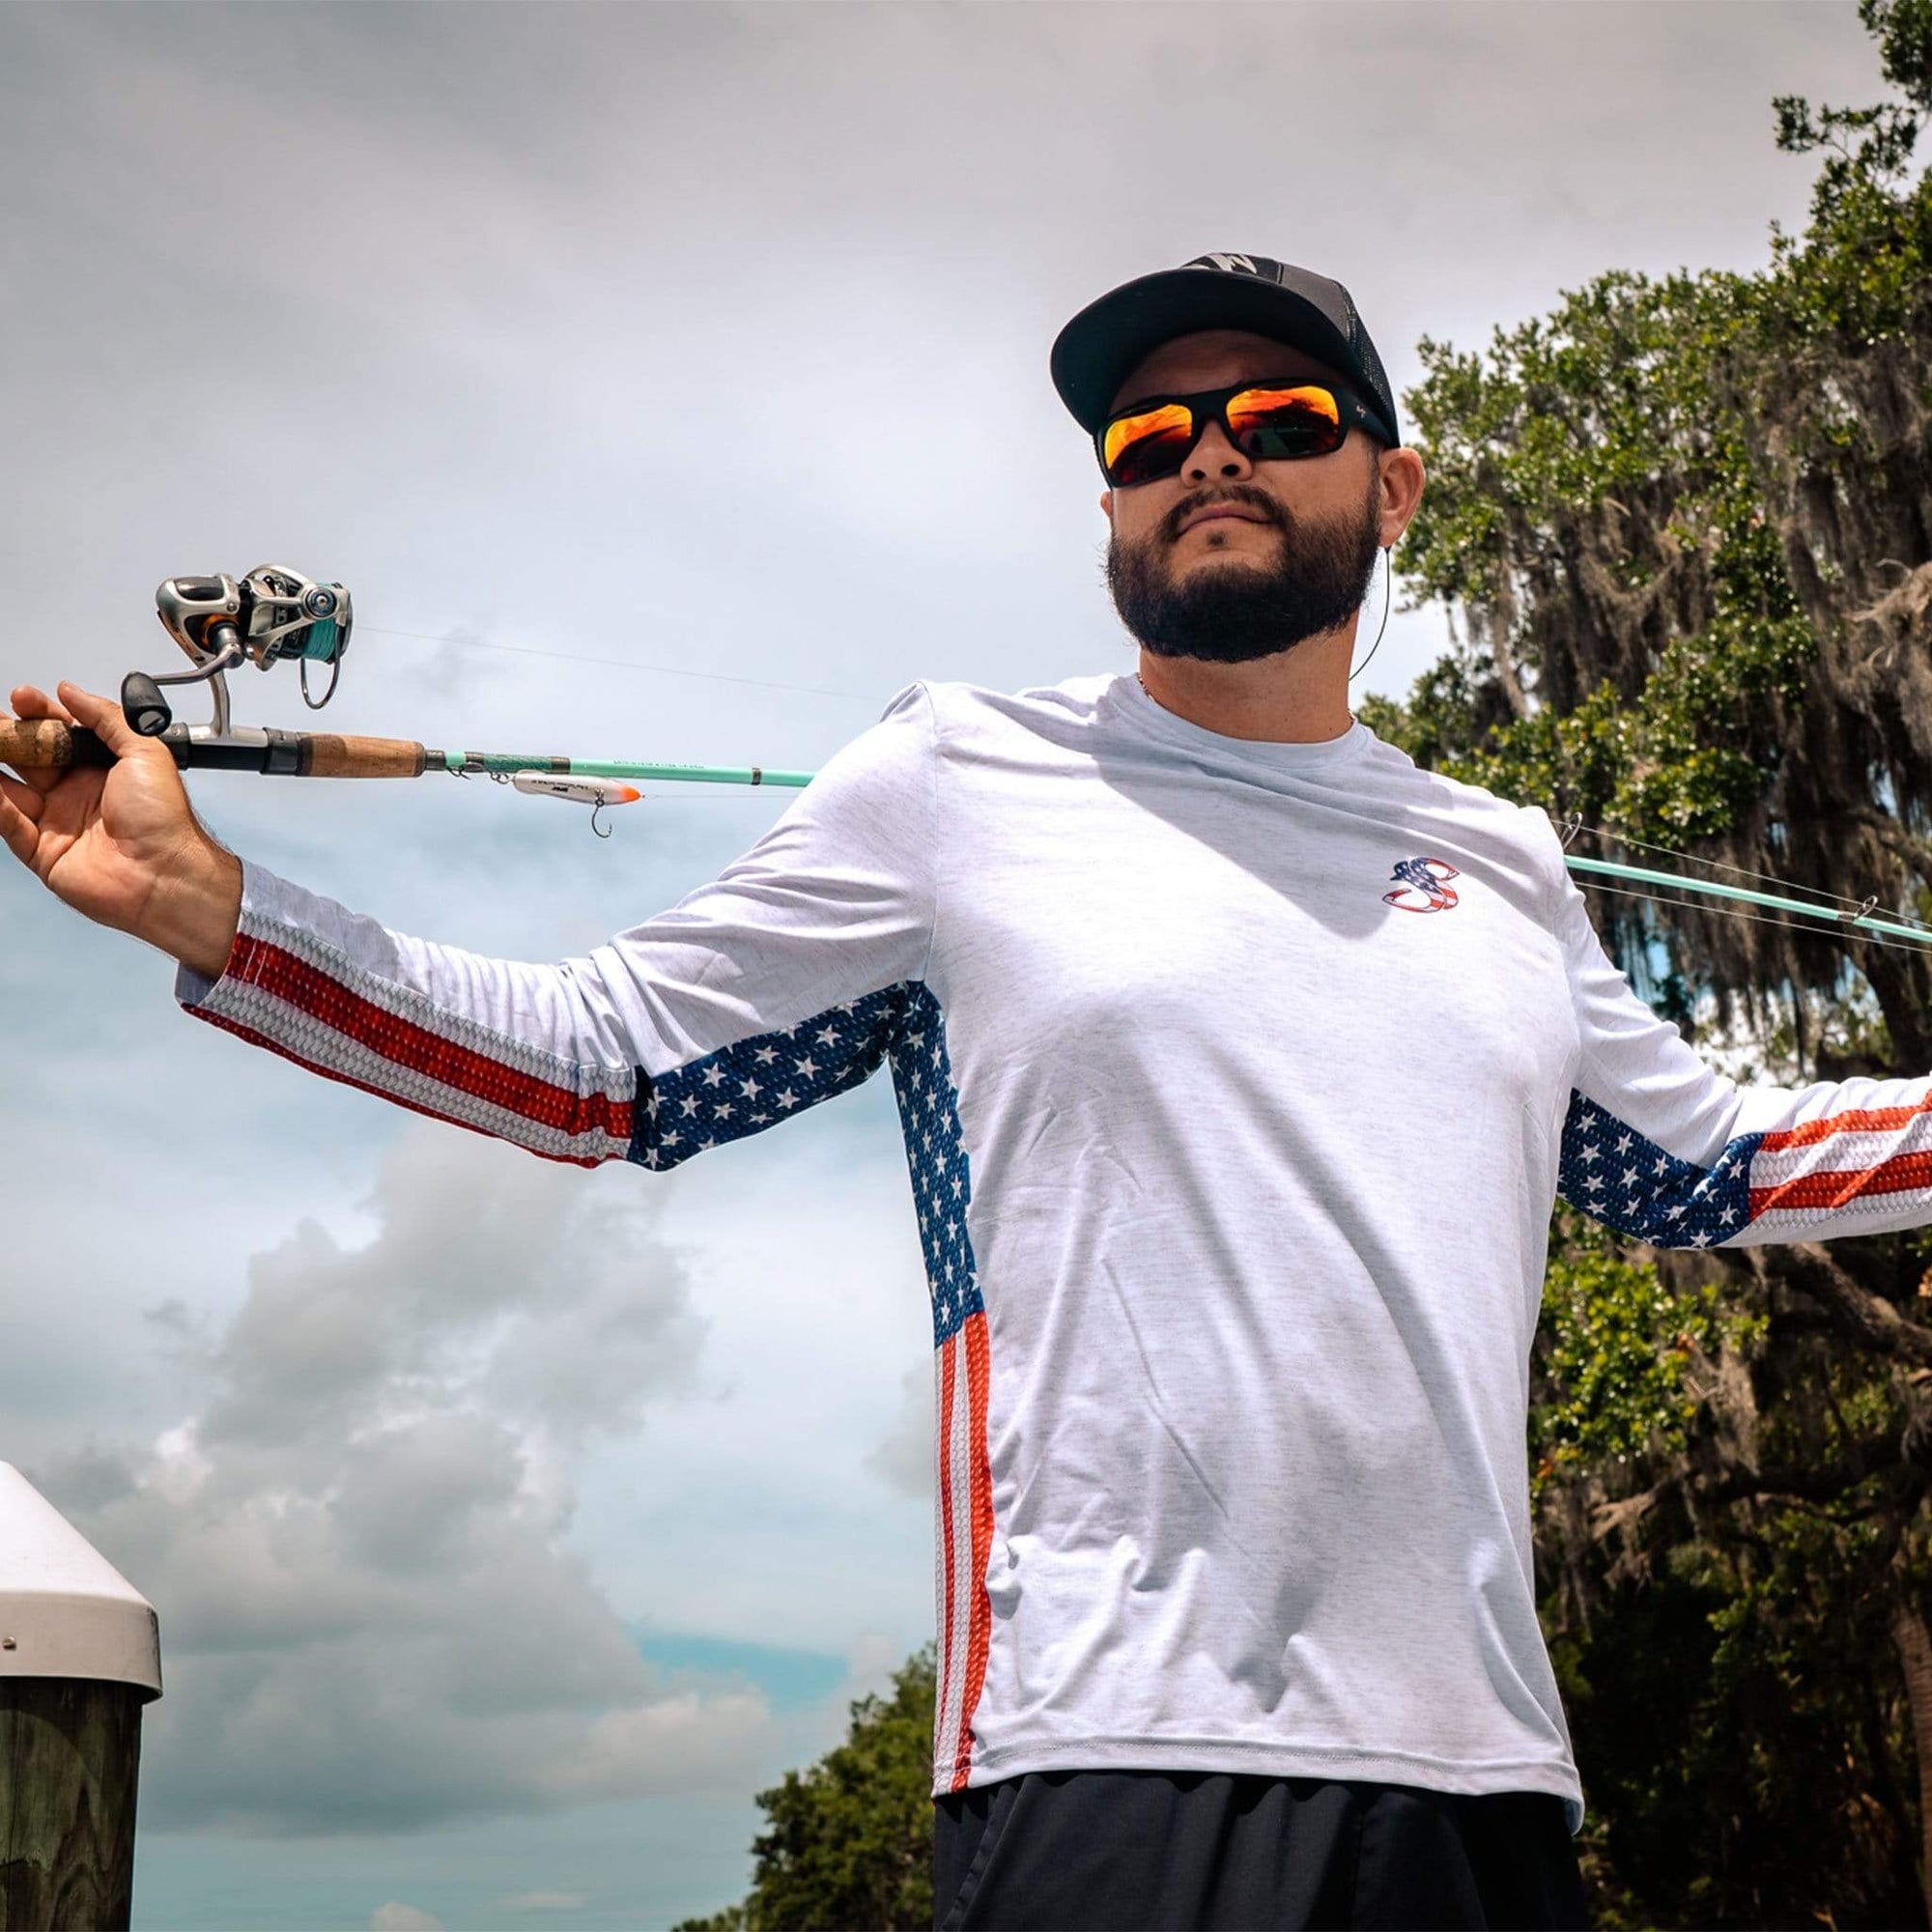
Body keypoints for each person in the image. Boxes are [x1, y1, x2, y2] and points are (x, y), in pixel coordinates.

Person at [5, 252, 1928, 1931]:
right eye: (1145, 434)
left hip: (1487, 1785)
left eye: (1274, 412)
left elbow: (1717, 1163)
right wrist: (218, 911)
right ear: (1110, 504)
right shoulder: (949, 782)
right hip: (1107, 1758)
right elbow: (601, 1063)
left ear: (1394, 485)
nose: (1205, 451)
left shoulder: (1500, 857)